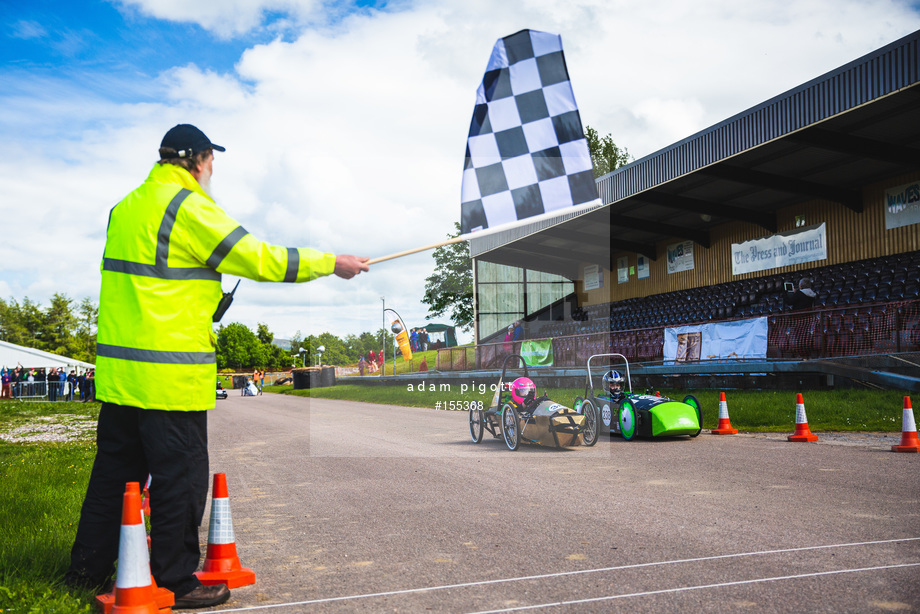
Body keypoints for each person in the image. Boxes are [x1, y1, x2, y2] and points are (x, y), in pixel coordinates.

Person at [64, 124, 369, 608]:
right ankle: (176, 580)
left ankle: (86, 570)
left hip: (121, 375)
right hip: (168, 374)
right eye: (211, 163)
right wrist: (331, 262)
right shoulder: (188, 207)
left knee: (114, 476)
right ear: (198, 160)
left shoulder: (124, 208)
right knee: (179, 478)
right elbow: (259, 257)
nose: (211, 172)